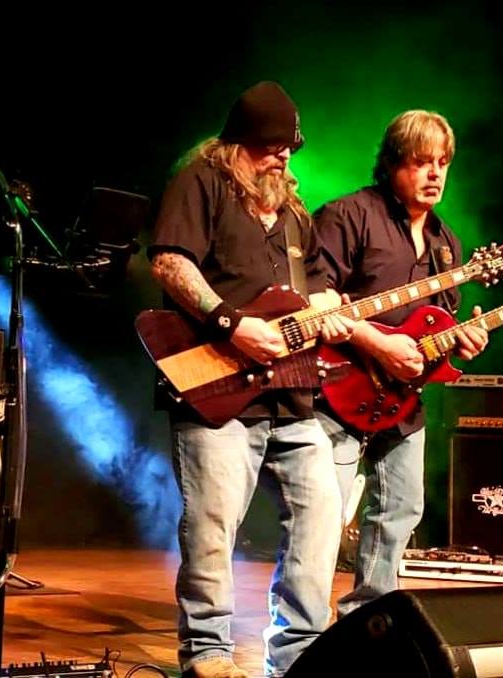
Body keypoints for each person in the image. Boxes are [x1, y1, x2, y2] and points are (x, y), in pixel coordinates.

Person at [146, 81, 354, 678]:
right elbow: (169, 262)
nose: (281, 157)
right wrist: (230, 322)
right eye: (269, 147)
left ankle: (299, 655)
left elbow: (318, 286)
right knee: (212, 524)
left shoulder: (293, 214)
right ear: (236, 143)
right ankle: (207, 653)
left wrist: (329, 308)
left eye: (289, 148)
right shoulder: (202, 183)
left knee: (322, 516)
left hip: (292, 393)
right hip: (218, 387)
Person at [312, 110, 488, 618]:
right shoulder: (346, 216)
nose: (435, 174)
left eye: (443, 163)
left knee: (402, 507)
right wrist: (377, 345)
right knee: (320, 516)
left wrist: (461, 340)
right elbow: (314, 302)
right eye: (420, 162)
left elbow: (436, 328)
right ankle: (302, 633)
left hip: (402, 400)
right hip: (337, 388)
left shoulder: (446, 243)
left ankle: (367, 619)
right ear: (391, 163)